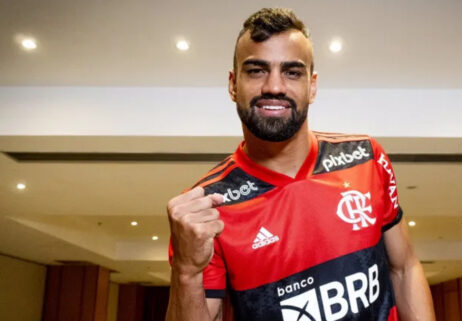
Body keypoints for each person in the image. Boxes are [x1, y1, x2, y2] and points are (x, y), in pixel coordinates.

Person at [166, 8, 435, 321]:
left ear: (313, 85)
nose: (274, 87)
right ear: (233, 84)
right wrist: (186, 272)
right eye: (256, 70)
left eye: (292, 72)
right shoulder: (207, 207)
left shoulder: (366, 157)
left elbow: (404, 269)